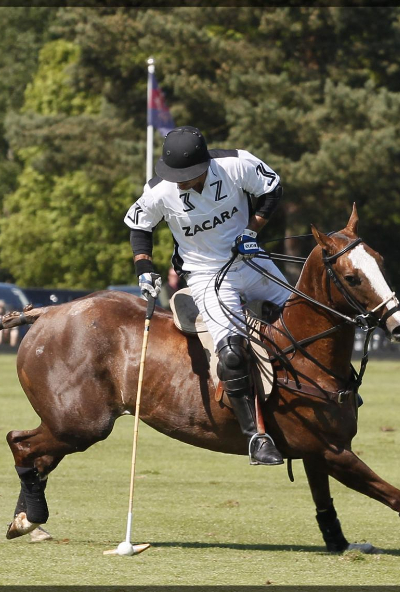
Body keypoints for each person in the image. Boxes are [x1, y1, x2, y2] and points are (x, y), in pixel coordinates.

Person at [125, 126, 290, 466]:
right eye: (174, 175)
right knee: (231, 352)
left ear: (204, 165)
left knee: (302, 314)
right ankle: (256, 439)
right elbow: (139, 225)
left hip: (250, 259)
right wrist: (144, 269)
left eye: (185, 175)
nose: (179, 181)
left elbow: (272, 189)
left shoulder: (237, 165)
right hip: (206, 275)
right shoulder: (159, 192)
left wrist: (251, 231)